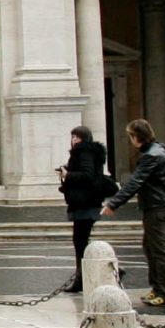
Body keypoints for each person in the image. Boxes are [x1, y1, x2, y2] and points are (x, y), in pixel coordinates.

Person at [102, 118, 165, 307]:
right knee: (150, 248)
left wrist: (114, 203)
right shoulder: (159, 150)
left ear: (136, 136)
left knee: (159, 251)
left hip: (157, 207)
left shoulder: (151, 156)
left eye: (130, 136)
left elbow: (135, 182)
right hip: (159, 206)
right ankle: (157, 288)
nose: (130, 140)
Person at [57, 124, 111, 293]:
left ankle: (100, 271)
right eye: (72, 137)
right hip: (86, 201)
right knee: (81, 240)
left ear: (84, 139)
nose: (74, 140)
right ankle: (86, 275)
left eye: (77, 137)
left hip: (85, 202)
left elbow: (87, 175)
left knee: (80, 241)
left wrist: (68, 175)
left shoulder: (84, 152)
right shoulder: (86, 152)